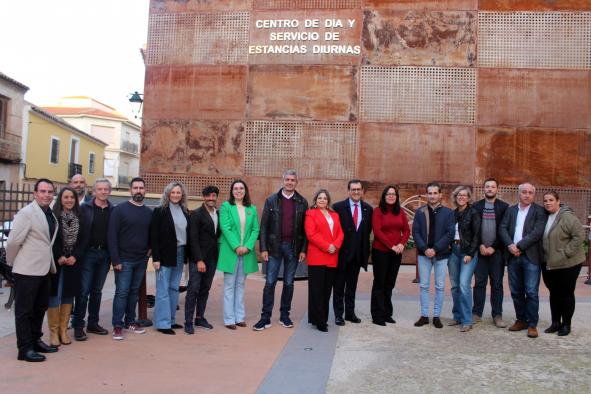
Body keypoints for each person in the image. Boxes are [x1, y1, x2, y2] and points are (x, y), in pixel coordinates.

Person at [6, 179, 59, 362]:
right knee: (24, 311)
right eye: (42, 191)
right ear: (35, 194)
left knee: (40, 308)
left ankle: (36, 340)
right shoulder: (26, 213)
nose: (46, 195)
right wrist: (13, 263)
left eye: (49, 191)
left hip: (44, 269)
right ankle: (25, 349)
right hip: (26, 270)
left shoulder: (49, 214)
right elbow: (13, 242)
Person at [254, 170, 308, 331]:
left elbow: (306, 230)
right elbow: (263, 226)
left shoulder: (302, 202)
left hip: (293, 248)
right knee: (270, 283)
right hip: (274, 249)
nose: (290, 182)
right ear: (283, 180)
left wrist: (303, 250)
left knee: (289, 283)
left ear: (296, 182)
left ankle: (285, 315)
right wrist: (263, 248)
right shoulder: (272, 200)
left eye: (293, 180)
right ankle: (265, 317)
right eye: (287, 179)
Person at [499, 183, 547, 338]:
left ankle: (532, 324)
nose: (527, 195)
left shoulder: (540, 211)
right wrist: (510, 246)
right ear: (519, 193)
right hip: (513, 257)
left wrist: (519, 246)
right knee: (516, 291)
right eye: (524, 192)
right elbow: (502, 228)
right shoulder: (511, 210)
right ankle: (521, 320)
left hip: (531, 256)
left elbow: (537, 232)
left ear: (534, 195)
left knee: (531, 292)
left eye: (531, 193)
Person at [108, 177, 153, 340]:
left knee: (133, 293)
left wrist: (149, 252)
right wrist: (116, 260)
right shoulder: (119, 210)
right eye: (135, 188)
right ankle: (117, 325)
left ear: (145, 191)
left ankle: (130, 321)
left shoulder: (149, 212)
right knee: (122, 293)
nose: (139, 191)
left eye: (141, 188)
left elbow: (151, 235)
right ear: (130, 190)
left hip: (141, 260)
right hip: (124, 260)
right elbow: (112, 236)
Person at [72, 179, 114, 340]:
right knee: (83, 292)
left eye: (106, 189)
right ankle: (78, 325)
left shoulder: (113, 210)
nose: (103, 192)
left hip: (105, 255)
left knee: (97, 291)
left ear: (109, 191)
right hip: (88, 254)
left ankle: (93, 323)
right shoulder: (84, 208)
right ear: (94, 191)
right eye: (100, 189)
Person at [541, 191, 586, 336]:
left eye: (551, 200)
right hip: (550, 263)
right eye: (545, 200)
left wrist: (566, 252)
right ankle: (555, 323)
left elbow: (579, 235)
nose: (548, 203)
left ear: (558, 201)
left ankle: (566, 324)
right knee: (554, 293)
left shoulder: (567, 216)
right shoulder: (545, 216)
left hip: (568, 263)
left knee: (566, 294)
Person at [217, 180, 260, 330]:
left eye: (241, 188)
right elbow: (225, 228)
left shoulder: (252, 209)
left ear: (245, 191)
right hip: (230, 251)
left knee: (240, 285)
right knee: (229, 285)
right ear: (231, 191)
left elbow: (255, 230)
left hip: (246, 252)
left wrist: (247, 247)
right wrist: (236, 246)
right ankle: (229, 319)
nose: (238, 191)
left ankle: (239, 317)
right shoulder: (226, 207)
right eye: (235, 188)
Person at [412, 182, 455, 329]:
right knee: (424, 285)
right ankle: (424, 315)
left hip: (441, 255)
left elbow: (450, 234)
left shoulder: (448, 213)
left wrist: (435, 249)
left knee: (440, 286)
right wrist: (425, 249)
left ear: (440, 195)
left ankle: (436, 316)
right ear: (427, 195)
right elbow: (415, 232)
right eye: (429, 193)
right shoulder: (420, 211)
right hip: (424, 255)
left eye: (435, 193)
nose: (432, 196)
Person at [47, 187, 86, 346]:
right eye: (66, 197)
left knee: (68, 295)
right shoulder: (53, 216)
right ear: (60, 199)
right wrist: (59, 256)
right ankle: (54, 332)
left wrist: (74, 256)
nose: (69, 200)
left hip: (73, 263)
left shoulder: (81, 217)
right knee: (55, 295)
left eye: (72, 197)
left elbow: (84, 239)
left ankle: (63, 331)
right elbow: (50, 238)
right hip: (57, 263)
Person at [151, 181, 190, 335]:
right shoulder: (160, 211)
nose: (175, 195)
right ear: (167, 194)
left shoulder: (184, 210)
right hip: (164, 254)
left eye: (178, 192)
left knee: (174, 287)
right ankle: (162, 323)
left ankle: (171, 320)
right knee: (163, 289)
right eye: (172, 192)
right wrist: (156, 258)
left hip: (180, 253)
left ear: (182, 195)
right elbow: (154, 236)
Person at [332, 180, 372, 325]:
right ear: (348, 191)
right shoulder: (338, 207)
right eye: (353, 189)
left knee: (352, 287)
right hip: (341, 254)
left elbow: (366, 232)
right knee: (338, 287)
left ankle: (350, 313)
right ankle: (338, 315)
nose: (356, 192)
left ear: (362, 191)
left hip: (357, 255)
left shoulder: (368, 209)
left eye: (358, 190)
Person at [471, 178, 509, 327]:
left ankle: (497, 315)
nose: (490, 189)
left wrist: (493, 246)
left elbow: (504, 230)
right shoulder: (476, 206)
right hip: (480, 252)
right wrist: (480, 244)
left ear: (497, 189)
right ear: (484, 189)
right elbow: (474, 229)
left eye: (493, 187)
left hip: (497, 252)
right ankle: (477, 313)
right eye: (487, 187)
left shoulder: (504, 207)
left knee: (497, 284)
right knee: (479, 283)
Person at [370, 185, 410, 326]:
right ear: (384, 196)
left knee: (390, 284)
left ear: (397, 197)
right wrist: (391, 245)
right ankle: (377, 314)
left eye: (393, 194)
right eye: (388, 194)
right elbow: (377, 231)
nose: (391, 196)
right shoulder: (378, 211)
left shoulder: (400, 212)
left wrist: (401, 244)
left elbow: (406, 230)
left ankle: (387, 313)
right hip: (381, 252)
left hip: (396, 253)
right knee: (379, 283)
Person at [305, 189, 344, 332]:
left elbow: (340, 233)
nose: (322, 200)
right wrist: (328, 246)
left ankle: (321, 318)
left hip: (332, 256)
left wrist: (336, 246)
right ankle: (319, 320)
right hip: (317, 256)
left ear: (328, 201)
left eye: (325, 198)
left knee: (327, 291)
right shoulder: (310, 214)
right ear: (315, 200)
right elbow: (311, 234)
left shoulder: (335, 215)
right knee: (317, 291)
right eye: (320, 198)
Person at [185, 186, 220, 334]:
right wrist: (199, 260)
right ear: (203, 197)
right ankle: (188, 321)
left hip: (212, 258)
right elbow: (192, 239)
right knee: (193, 289)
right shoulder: (196, 214)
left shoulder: (218, 214)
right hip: (198, 259)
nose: (211, 198)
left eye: (214, 195)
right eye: (208, 196)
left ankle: (200, 317)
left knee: (205, 289)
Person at [447, 186, 481, 332]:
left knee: (463, 285)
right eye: (458, 195)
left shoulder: (473, 213)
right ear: (455, 197)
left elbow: (477, 235)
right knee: (454, 285)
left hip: (467, 252)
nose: (461, 197)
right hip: (453, 251)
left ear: (468, 198)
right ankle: (457, 316)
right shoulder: (452, 214)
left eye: (464, 195)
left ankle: (467, 320)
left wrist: (470, 253)